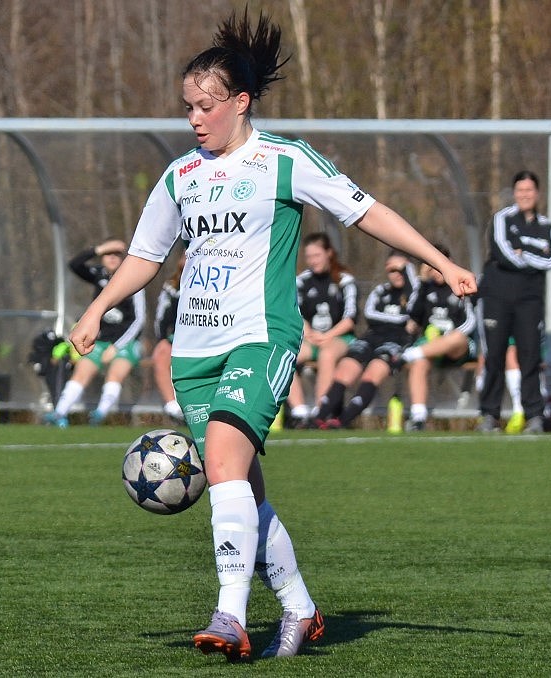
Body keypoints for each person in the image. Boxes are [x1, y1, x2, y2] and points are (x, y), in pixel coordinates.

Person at [67, 11, 477, 661]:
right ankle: (299, 607)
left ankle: (229, 615)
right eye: (187, 107)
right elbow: (145, 256)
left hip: (261, 337)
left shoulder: (284, 161)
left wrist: (440, 262)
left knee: (223, 466)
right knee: (242, 490)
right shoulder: (180, 176)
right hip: (194, 353)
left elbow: (367, 212)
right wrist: (97, 309)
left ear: (241, 101)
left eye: (206, 106)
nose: (195, 119)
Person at [476, 170, 551, 434]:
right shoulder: (502, 218)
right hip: (497, 296)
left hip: (529, 300)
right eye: (520, 190)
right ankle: (489, 415)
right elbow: (503, 254)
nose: (525, 195)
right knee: (495, 354)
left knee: (530, 355)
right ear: (514, 193)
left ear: (537, 193)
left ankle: (534, 416)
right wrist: (533, 256)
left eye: (529, 190)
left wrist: (524, 252)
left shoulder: (546, 226)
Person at [43, 238, 146, 427]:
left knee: (115, 374)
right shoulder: (99, 275)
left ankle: (99, 416)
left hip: (125, 341)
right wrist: (99, 248)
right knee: (81, 373)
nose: (112, 258)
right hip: (101, 340)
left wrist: (117, 346)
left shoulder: (133, 280)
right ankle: (59, 413)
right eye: (108, 254)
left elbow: (139, 320)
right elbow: (74, 264)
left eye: (116, 254)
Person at [313, 252, 418, 429]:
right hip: (372, 337)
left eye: (402, 269)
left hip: (397, 341)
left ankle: (342, 421)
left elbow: (414, 313)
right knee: (344, 370)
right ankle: (318, 418)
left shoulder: (415, 292)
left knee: (372, 374)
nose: (397, 274)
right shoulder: (381, 291)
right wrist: (402, 319)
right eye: (392, 270)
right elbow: (370, 314)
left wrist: (408, 273)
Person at [399, 244, 477, 430]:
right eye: (431, 266)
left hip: (457, 349)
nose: (436, 271)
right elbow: (413, 316)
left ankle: (409, 354)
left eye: (439, 265)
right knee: (420, 363)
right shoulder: (425, 288)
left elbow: (470, 322)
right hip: (431, 349)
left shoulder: (460, 285)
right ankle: (418, 417)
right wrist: (422, 282)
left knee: (457, 338)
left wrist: (446, 339)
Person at [285, 233, 358, 428]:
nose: (313, 261)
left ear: (329, 253)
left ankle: (320, 412)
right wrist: (308, 332)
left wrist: (327, 336)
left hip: (340, 338)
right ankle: (300, 412)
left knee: (327, 355)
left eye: (317, 255)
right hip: (312, 338)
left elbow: (350, 319)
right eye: (309, 256)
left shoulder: (344, 280)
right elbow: (295, 312)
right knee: (285, 355)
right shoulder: (301, 281)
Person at [152, 250, 185, 421]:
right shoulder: (171, 287)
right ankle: (174, 408)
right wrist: (162, 340)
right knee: (161, 354)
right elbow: (161, 316)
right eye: (185, 255)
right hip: (177, 338)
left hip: (206, 339)